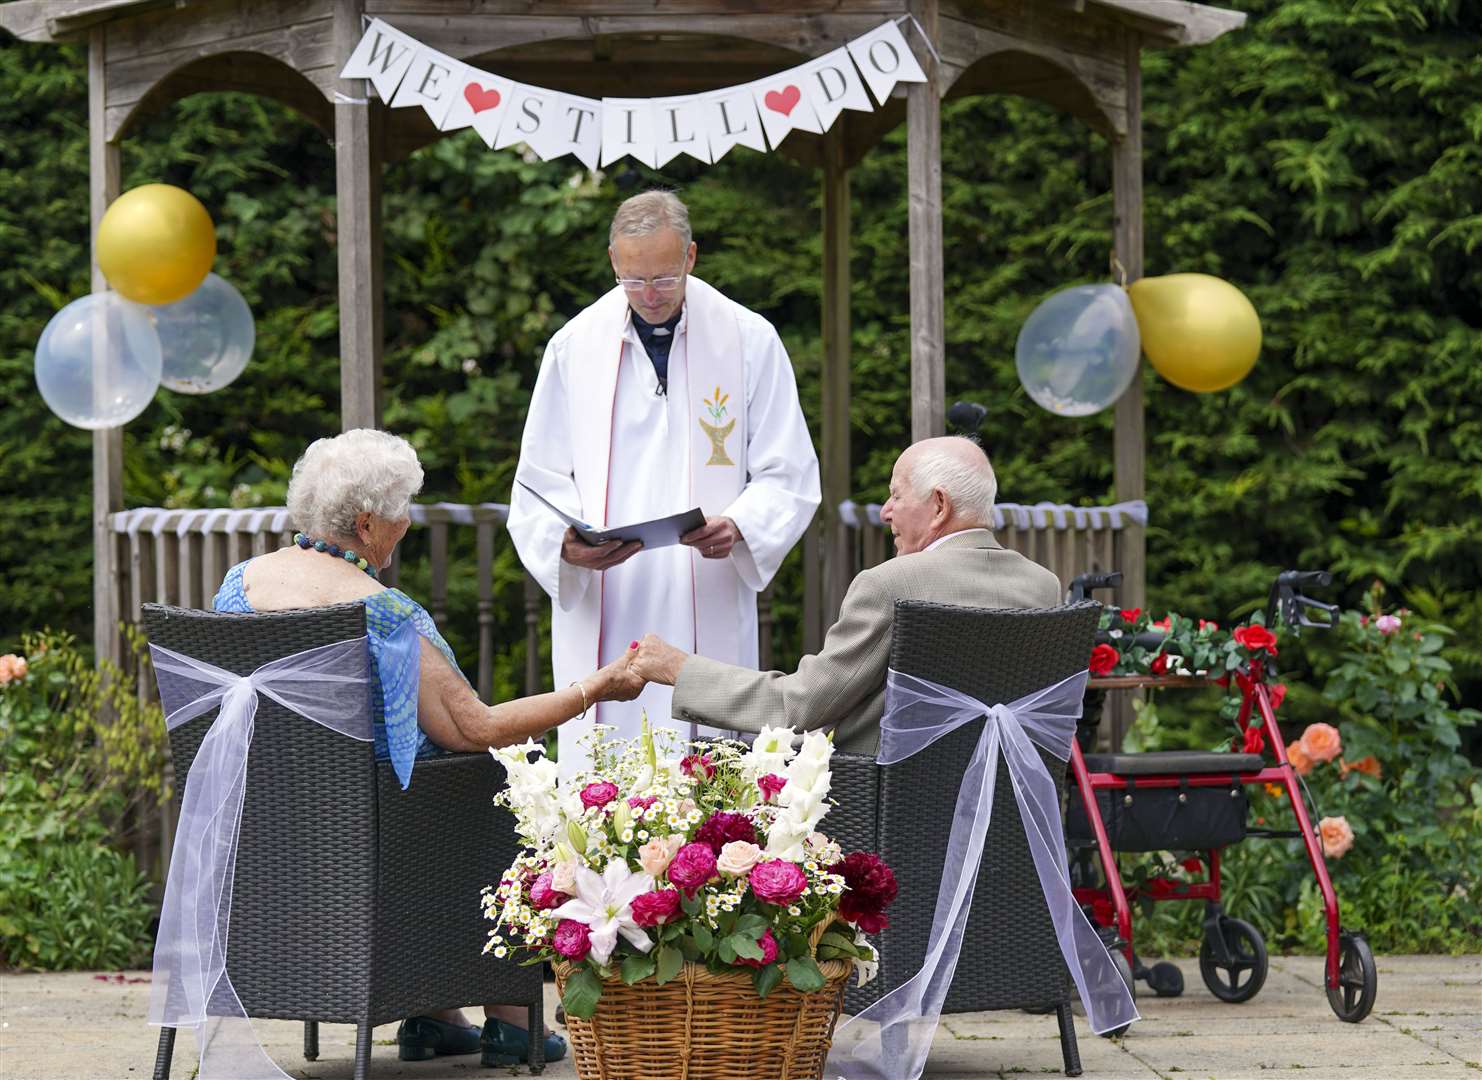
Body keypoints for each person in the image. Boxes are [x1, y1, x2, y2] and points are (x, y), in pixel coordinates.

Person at [212, 428, 640, 1067]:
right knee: (499, 779)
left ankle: (434, 1016)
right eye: (400, 511)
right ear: (365, 523)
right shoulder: (383, 611)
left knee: (428, 782)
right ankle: (512, 1018)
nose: (407, 523)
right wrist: (595, 686)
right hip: (380, 833)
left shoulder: (237, 588)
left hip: (272, 829)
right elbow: (477, 727)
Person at [507, 189, 820, 773]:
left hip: (705, 584)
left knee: (709, 780)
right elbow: (537, 482)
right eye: (633, 280)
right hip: (609, 596)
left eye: (664, 279)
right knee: (606, 778)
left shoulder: (749, 340)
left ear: (692, 258)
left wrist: (742, 524)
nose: (649, 296)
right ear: (612, 262)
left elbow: (790, 472)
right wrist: (565, 545)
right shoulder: (574, 347)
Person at [628, 436, 1063, 755]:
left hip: (885, 812)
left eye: (895, 495)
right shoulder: (1043, 587)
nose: (885, 511)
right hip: (1008, 806)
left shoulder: (891, 585)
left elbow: (799, 706)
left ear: (939, 506)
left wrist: (682, 670)